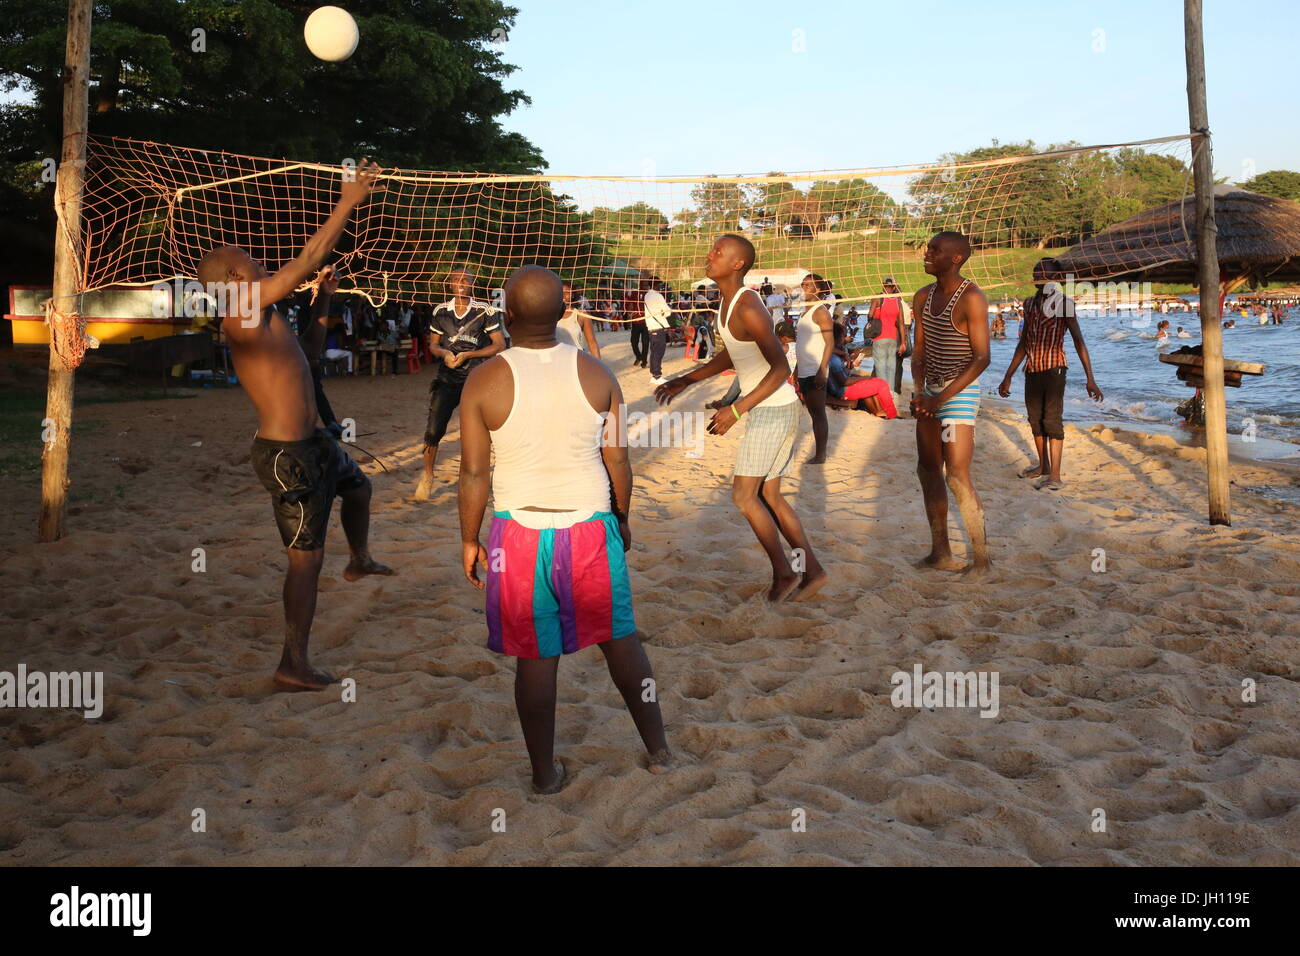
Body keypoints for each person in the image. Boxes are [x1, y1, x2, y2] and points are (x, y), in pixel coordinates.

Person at [457, 266, 671, 793]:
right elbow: (618, 459)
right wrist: (622, 517)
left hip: (518, 532)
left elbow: (473, 472)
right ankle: (659, 750)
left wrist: (469, 537)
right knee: (622, 643)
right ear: (564, 313)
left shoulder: (483, 379)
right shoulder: (600, 375)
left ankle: (543, 775)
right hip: (589, 524)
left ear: (505, 315)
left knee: (535, 660)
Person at [195, 159, 393, 690]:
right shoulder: (240, 307)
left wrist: (324, 300)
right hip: (288, 458)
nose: (259, 264)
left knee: (359, 488)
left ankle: (361, 560)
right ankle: (292, 663)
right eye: (251, 261)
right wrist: (348, 200)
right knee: (305, 563)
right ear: (236, 278)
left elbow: (308, 350)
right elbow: (306, 258)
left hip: (314, 444)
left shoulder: (262, 315)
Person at [655, 234, 827, 602]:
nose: (710, 254)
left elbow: (781, 368)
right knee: (771, 497)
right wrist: (686, 379)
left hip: (772, 408)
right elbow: (732, 355)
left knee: (745, 497)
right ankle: (811, 571)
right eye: (712, 247)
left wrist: (735, 409)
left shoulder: (748, 304)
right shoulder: (726, 301)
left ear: (737, 264)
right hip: (771, 408)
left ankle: (785, 573)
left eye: (719, 251)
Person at [910, 231, 991, 573]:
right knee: (928, 470)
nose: (927, 254)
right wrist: (918, 393)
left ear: (956, 258)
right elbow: (919, 352)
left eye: (935, 250)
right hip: (930, 391)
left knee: (956, 474)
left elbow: (982, 358)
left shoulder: (971, 297)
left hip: (959, 391)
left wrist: (939, 397)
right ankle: (940, 551)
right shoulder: (923, 297)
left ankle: (981, 560)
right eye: (928, 249)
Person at [997, 258, 1103, 491]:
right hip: (1032, 369)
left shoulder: (1064, 304)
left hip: (1054, 369)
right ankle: (1043, 466)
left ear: (1056, 278)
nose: (1037, 275)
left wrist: (1090, 379)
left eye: (1043, 272)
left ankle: (1055, 475)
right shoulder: (1029, 304)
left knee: (1052, 420)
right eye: (1036, 271)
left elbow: (1078, 341)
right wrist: (1008, 375)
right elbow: (1024, 343)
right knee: (1035, 420)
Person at [414, 266, 507, 500]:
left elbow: (499, 345)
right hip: (447, 376)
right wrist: (444, 353)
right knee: (434, 429)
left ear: (472, 284)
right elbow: (433, 344)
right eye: (456, 279)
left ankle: (482, 479)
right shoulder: (441, 311)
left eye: (465, 279)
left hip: (476, 377)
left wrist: (469, 356)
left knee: (478, 433)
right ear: (451, 284)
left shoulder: (484, 310)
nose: (461, 282)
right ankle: (427, 476)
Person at [795, 273, 834, 464]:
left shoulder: (820, 311)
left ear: (818, 289)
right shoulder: (805, 311)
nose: (804, 288)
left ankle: (820, 455)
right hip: (803, 369)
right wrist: (796, 369)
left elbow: (830, 343)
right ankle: (820, 453)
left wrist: (822, 370)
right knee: (812, 412)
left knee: (818, 414)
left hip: (815, 371)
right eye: (803, 284)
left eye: (808, 285)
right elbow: (802, 342)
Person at [868, 277, 906, 390]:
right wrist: (903, 343)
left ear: (883, 285)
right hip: (893, 338)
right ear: (894, 287)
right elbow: (901, 323)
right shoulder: (897, 301)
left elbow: (870, 314)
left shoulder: (878, 298)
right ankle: (890, 393)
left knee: (880, 368)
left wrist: (873, 319)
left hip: (879, 337)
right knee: (891, 368)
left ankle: (882, 393)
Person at [556, 281, 602, 356]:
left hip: (576, 359)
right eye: (561, 292)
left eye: (567, 292)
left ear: (573, 295)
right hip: (556, 361)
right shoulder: (550, 315)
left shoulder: (581, 315)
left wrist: (599, 365)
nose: (563, 295)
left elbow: (592, 343)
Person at [644, 290, 673, 385]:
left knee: (654, 352)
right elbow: (667, 312)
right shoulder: (658, 295)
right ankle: (657, 376)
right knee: (658, 352)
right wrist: (665, 312)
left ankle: (655, 376)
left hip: (651, 327)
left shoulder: (646, 295)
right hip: (658, 327)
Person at [625, 285, 649, 367]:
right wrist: (630, 312)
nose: (644, 285)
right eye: (643, 283)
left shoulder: (649, 295)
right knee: (633, 342)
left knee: (645, 343)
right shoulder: (634, 293)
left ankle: (644, 362)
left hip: (646, 322)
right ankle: (639, 357)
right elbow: (628, 304)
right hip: (636, 322)